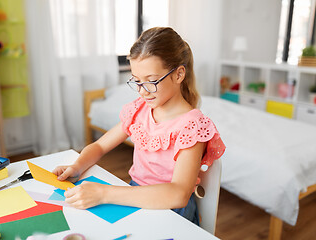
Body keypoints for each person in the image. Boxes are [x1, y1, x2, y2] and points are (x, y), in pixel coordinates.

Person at [53, 27, 226, 225]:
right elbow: (100, 146)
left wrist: (103, 193)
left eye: (151, 81)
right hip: (134, 195)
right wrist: (76, 166)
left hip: (171, 211)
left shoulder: (191, 125)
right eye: (137, 81)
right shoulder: (139, 110)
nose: (142, 91)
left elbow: (178, 194)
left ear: (178, 75)